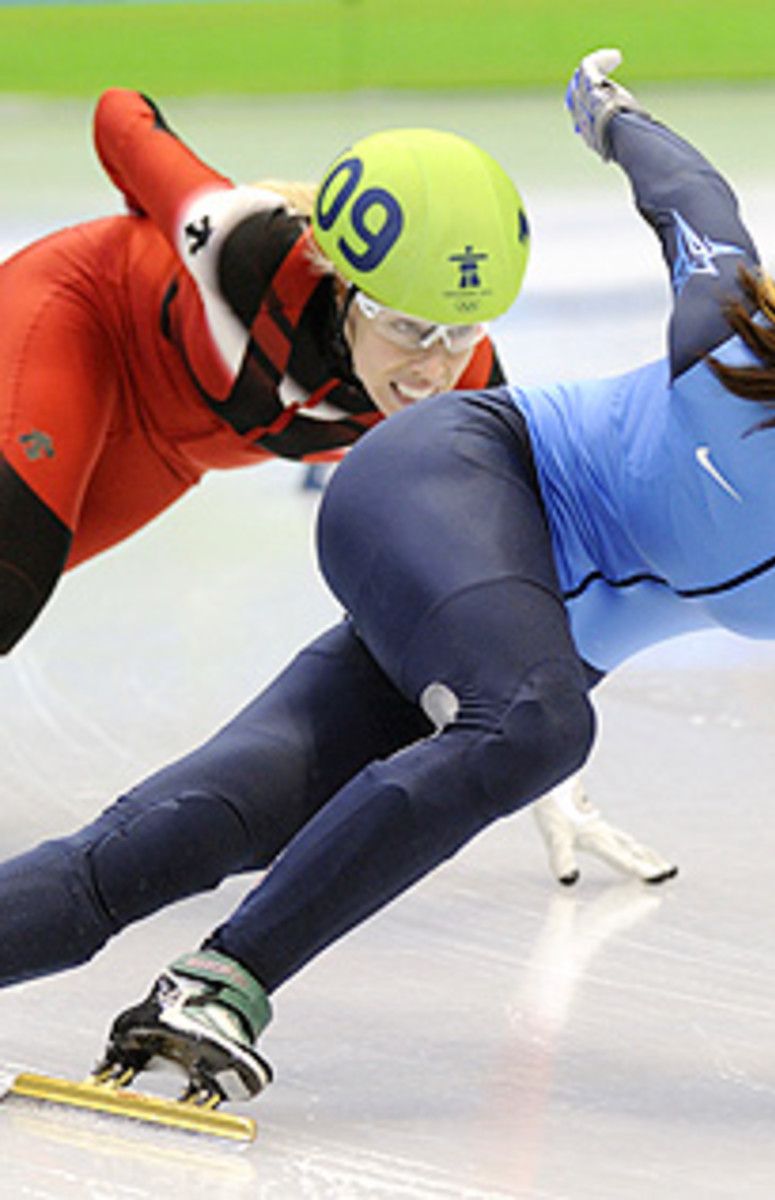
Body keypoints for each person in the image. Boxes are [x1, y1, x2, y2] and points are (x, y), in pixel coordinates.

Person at [0, 50, 775, 1108]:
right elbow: (699, 204)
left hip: (502, 645)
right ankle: (218, 993)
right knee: (540, 727)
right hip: (449, 480)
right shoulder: (727, 373)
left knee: (181, 840)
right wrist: (613, 119)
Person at [0, 86, 671, 887]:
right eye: (409, 327)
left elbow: (516, 595)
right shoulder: (242, 242)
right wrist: (159, 223)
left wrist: (552, 774)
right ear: (345, 289)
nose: (434, 364)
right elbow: (120, 113)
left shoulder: (467, 392)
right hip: (79, 323)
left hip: (175, 452)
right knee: (11, 580)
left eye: (462, 331)